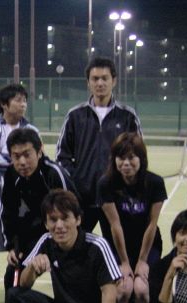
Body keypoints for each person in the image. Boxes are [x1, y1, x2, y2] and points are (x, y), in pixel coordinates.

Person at [56, 56, 142, 233]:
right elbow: (62, 156)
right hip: (82, 199)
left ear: (114, 81)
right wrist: (76, 183)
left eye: (105, 78)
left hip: (115, 198)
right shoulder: (75, 115)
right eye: (95, 79)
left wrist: (125, 186)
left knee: (117, 247)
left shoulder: (127, 116)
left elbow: (138, 156)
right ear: (88, 82)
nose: (100, 83)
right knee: (76, 245)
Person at [97, 132, 167, 303]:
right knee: (124, 288)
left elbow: (152, 225)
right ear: (114, 159)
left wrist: (143, 260)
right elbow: (115, 226)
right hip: (117, 246)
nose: (126, 163)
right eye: (121, 158)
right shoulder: (106, 184)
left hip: (147, 245)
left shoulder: (155, 183)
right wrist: (125, 262)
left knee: (141, 289)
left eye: (131, 158)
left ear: (141, 159)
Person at [1, 128, 77, 291]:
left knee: (67, 278)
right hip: (33, 234)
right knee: (12, 278)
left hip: (60, 234)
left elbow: (73, 212)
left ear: (39, 152)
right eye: (16, 156)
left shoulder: (54, 174)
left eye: (27, 154)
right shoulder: (11, 175)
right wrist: (12, 246)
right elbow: (8, 213)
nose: (22, 162)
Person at [0, 83, 38, 255]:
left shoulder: (31, 130)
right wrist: (19, 162)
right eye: (18, 100)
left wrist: (7, 159)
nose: (23, 104)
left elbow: (35, 160)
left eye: (25, 100)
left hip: (25, 202)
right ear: (4, 104)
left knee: (22, 250)